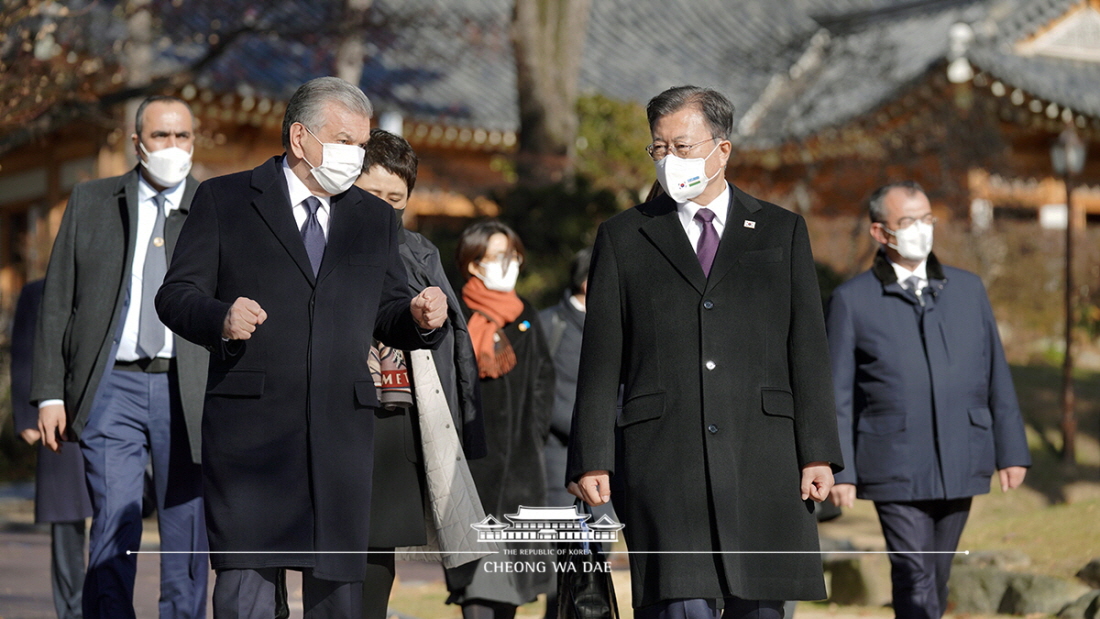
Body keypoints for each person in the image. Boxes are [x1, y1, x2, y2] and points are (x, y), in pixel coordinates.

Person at [155, 76, 448, 617]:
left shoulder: (373, 217)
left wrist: (419, 317)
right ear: (299, 138)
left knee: (337, 603)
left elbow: (387, 314)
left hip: (339, 441)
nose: (355, 158)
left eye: (361, 146)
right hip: (252, 443)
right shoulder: (225, 200)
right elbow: (174, 297)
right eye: (344, 142)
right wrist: (221, 317)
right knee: (246, 600)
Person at [567, 85, 843, 619]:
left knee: (760, 601)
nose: (669, 160)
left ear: (724, 150)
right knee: (679, 601)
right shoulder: (624, 237)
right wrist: (591, 455)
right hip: (664, 454)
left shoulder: (782, 232)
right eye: (659, 148)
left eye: (683, 146)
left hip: (764, 452)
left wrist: (818, 450)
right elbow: (601, 358)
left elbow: (807, 348)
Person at [31, 95, 209, 619]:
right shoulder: (92, 201)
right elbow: (57, 300)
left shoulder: (214, 207)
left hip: (188, 388)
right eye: (161, 136)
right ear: (137, 142)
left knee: (187, 524)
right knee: (114, 518)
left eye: (183, 136)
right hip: (114, 387)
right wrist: (49, 393)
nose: (173, 147)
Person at [825, 181, 1031, 619]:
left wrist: (1011, 451)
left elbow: (995, 372)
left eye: (926, 219)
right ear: (881, 233)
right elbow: (837, 393)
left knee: (935, 574)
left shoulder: (968, 289)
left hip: (962, 452)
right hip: (893, 459)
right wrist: (840, 468)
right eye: (908, 221)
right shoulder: (851, 301)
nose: (921, 229)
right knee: (914, 572)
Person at [354, 128, 488, 619]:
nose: (384, 208)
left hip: (397, 421)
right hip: (330, 411)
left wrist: (465, 430)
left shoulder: (420, 252)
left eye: (396, 198)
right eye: (372, 195)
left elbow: (456, 346)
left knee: (376, 551)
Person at [446, 220, 555, 619]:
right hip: (471, 471)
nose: (509, 264)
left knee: (510, 587)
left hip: (521, 471)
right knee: (475, 586)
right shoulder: (454, 312)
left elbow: (544, 380)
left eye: (514, 256)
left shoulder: (526, 313)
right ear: (474, 264)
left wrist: (534, 435)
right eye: (499, 256)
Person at [12, 279, 93, 619]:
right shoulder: (37, 292)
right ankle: (72, 612)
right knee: (66, 518)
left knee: (120, 513)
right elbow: (24, 350)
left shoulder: (118, 283)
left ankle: (108, 604)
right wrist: (26, 416)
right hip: (57, 415)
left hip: (114, 409)